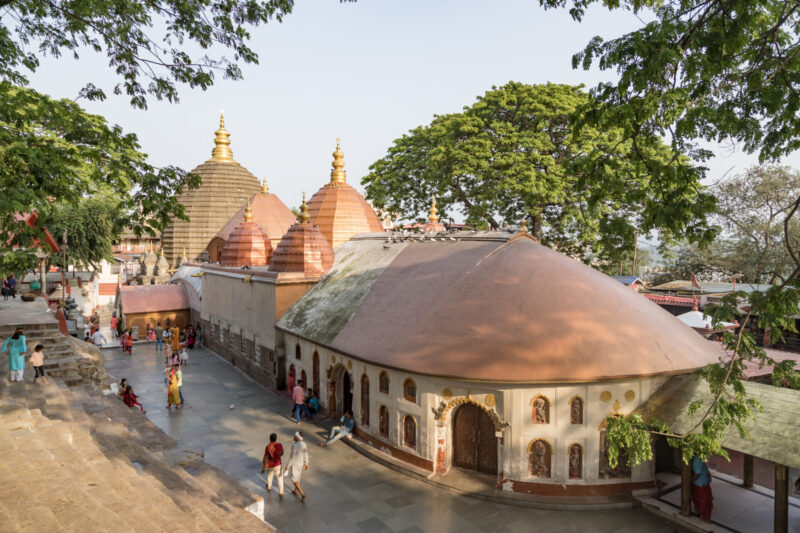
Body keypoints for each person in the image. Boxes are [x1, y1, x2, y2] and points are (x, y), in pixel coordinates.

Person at [284, 431, 308, 502]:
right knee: (298, 477)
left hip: (295, 464)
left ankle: (303, 494)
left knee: (294, 480)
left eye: (294, 436)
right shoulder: (304, 444)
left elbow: (292, 457)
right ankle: (295, 491)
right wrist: (306, 463)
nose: (293, 437)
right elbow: (306, 454)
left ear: (297, 438)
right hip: (300, 464)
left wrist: (287, 466)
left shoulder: (295, 446)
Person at [261, 433, 284, 498]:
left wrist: (264, 468)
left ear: (270, 439)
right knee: (280, 479)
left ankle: (269, 487)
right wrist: (278, 456)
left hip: (271, 466)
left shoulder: (268, 447)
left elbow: (266, 458)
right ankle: (281, 493)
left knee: (270, 476)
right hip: (278, 465)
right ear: (276, 439)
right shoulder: (279, 445)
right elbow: (282, 452)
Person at [691, 455, 713, 522]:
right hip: (701, 483)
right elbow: (697, 474)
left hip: (701, 482)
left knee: (697, 497)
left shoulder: (696, 457)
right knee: (705, 499)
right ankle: (704, 516)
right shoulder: (697, 458)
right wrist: (691, 481)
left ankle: (698, 511)